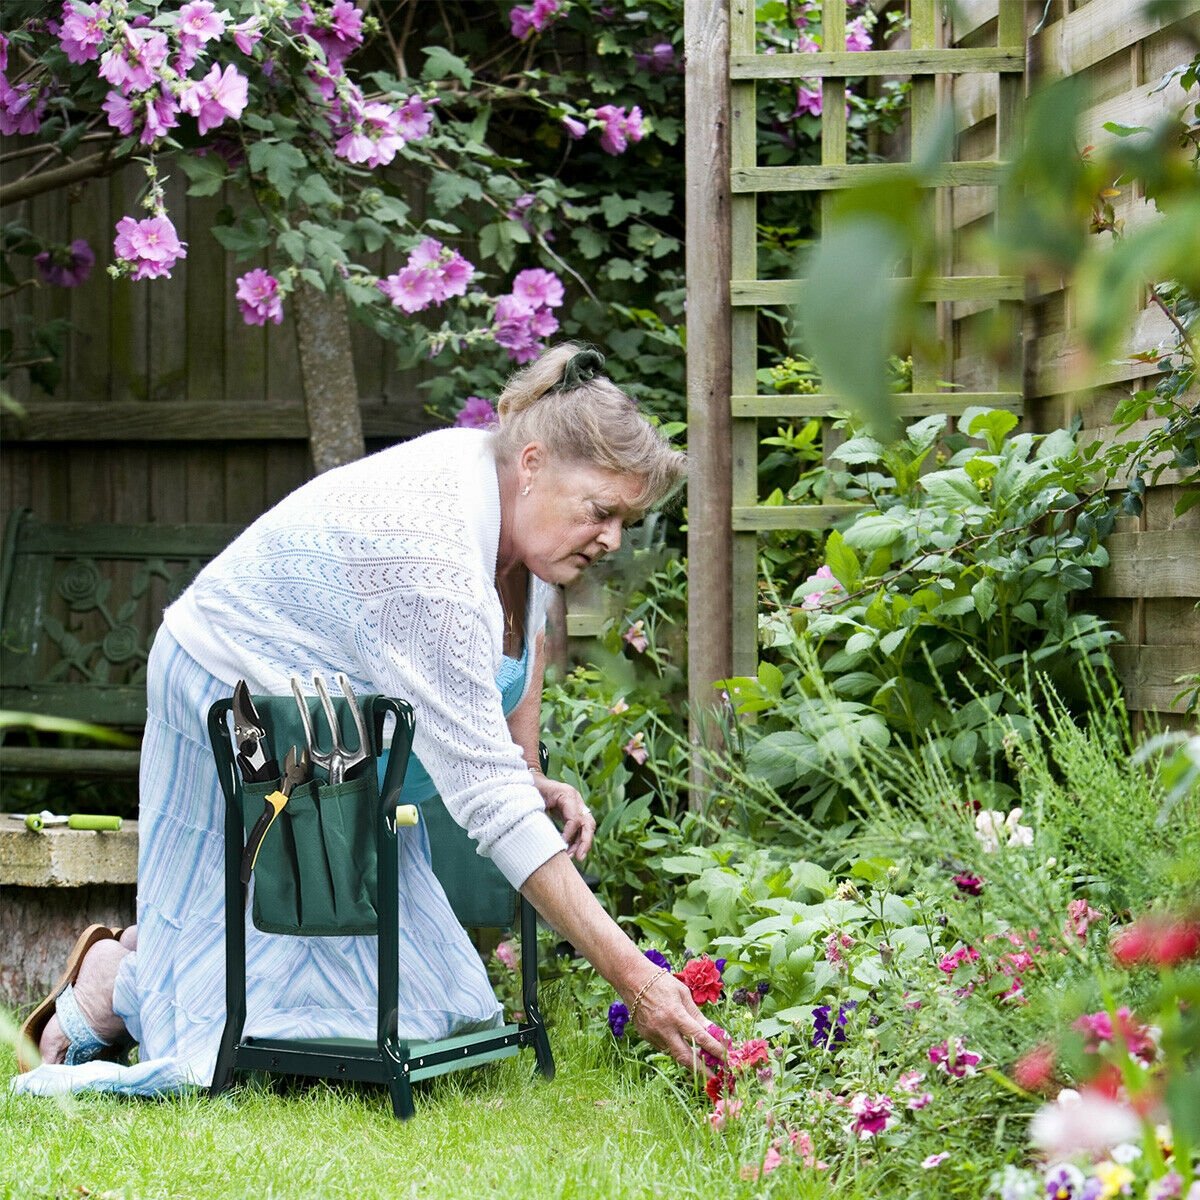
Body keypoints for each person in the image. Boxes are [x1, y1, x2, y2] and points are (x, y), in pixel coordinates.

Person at [14, 342, 726, 1096]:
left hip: (338, 710)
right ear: (533, 462)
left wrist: (529, 768)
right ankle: (118, 980)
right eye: (603, 512)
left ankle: (130, 965)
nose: (614, 538)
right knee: (250, 1008)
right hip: (234, 680)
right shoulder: (433, 561)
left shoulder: (514, 508)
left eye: (626, 519)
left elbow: (525, 638)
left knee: (417, 1012)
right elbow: (490, 804)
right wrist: (637, 983)